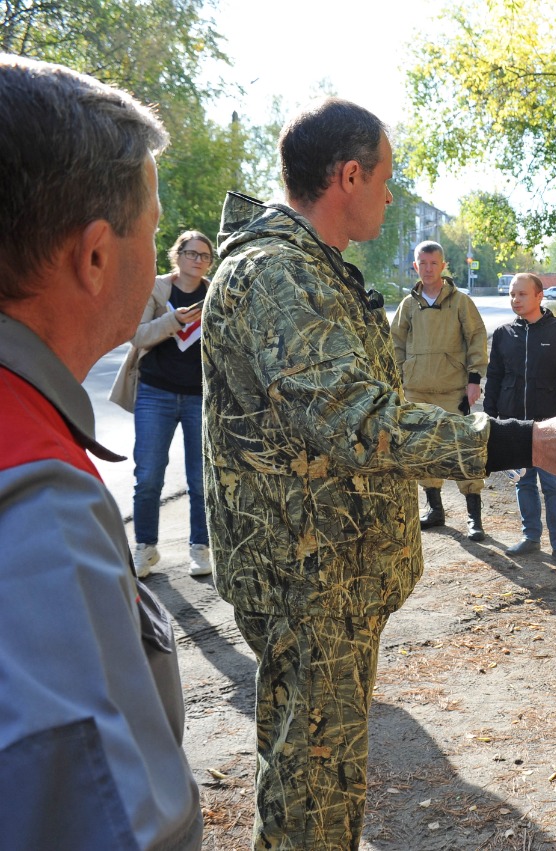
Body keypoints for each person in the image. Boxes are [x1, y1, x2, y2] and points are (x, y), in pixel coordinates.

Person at [201, 98, 556, 850]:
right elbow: (361, 420)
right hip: (308, 583)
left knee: (326, 785)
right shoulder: (276, 275)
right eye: (386, 177)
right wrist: (525, 441)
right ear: (347, 176)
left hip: (328, 575)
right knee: (311, 802)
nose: (391, 195)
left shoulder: (308, 269)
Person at [0, 56, 201, 849]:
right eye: (151, 231)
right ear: (93, 257)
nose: (158, 257)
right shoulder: (40, 502)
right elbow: (107, 822)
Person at [110, 230, 214, 577]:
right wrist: (174, 320)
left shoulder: (213, 292)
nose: (197, 260)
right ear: (178, 255)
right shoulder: (158, 288)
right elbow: (136, 335)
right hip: (155, 392)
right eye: (191, 253)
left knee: (201, 478)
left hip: (199, 396)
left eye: (204, 255)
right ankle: (145, 547)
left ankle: (200, 547)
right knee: (149, 476)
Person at [485, 272, 556, 569]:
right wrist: (491, 416)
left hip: (550, 426)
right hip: (514, 425)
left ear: (539, 296)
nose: (515, 299)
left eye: (522, 294)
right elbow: (495, 376)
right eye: (512, 294)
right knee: (523, 483)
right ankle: (531, 537)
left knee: (553, 486)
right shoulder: (504, 334)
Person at [391, 241, 489, 540]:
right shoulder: (408, 304)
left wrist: (474, 380)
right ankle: (435, 509)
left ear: (443, 266)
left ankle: (474, 517)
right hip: (416, 390)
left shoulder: (460, 302)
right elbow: (395, 343)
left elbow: (476, 338)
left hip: (451, 389)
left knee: (462, 449)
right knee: (424, 452)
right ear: (415, 266)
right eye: (423, 263)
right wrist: (397, 379)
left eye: (434, 263)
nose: (429, 268)